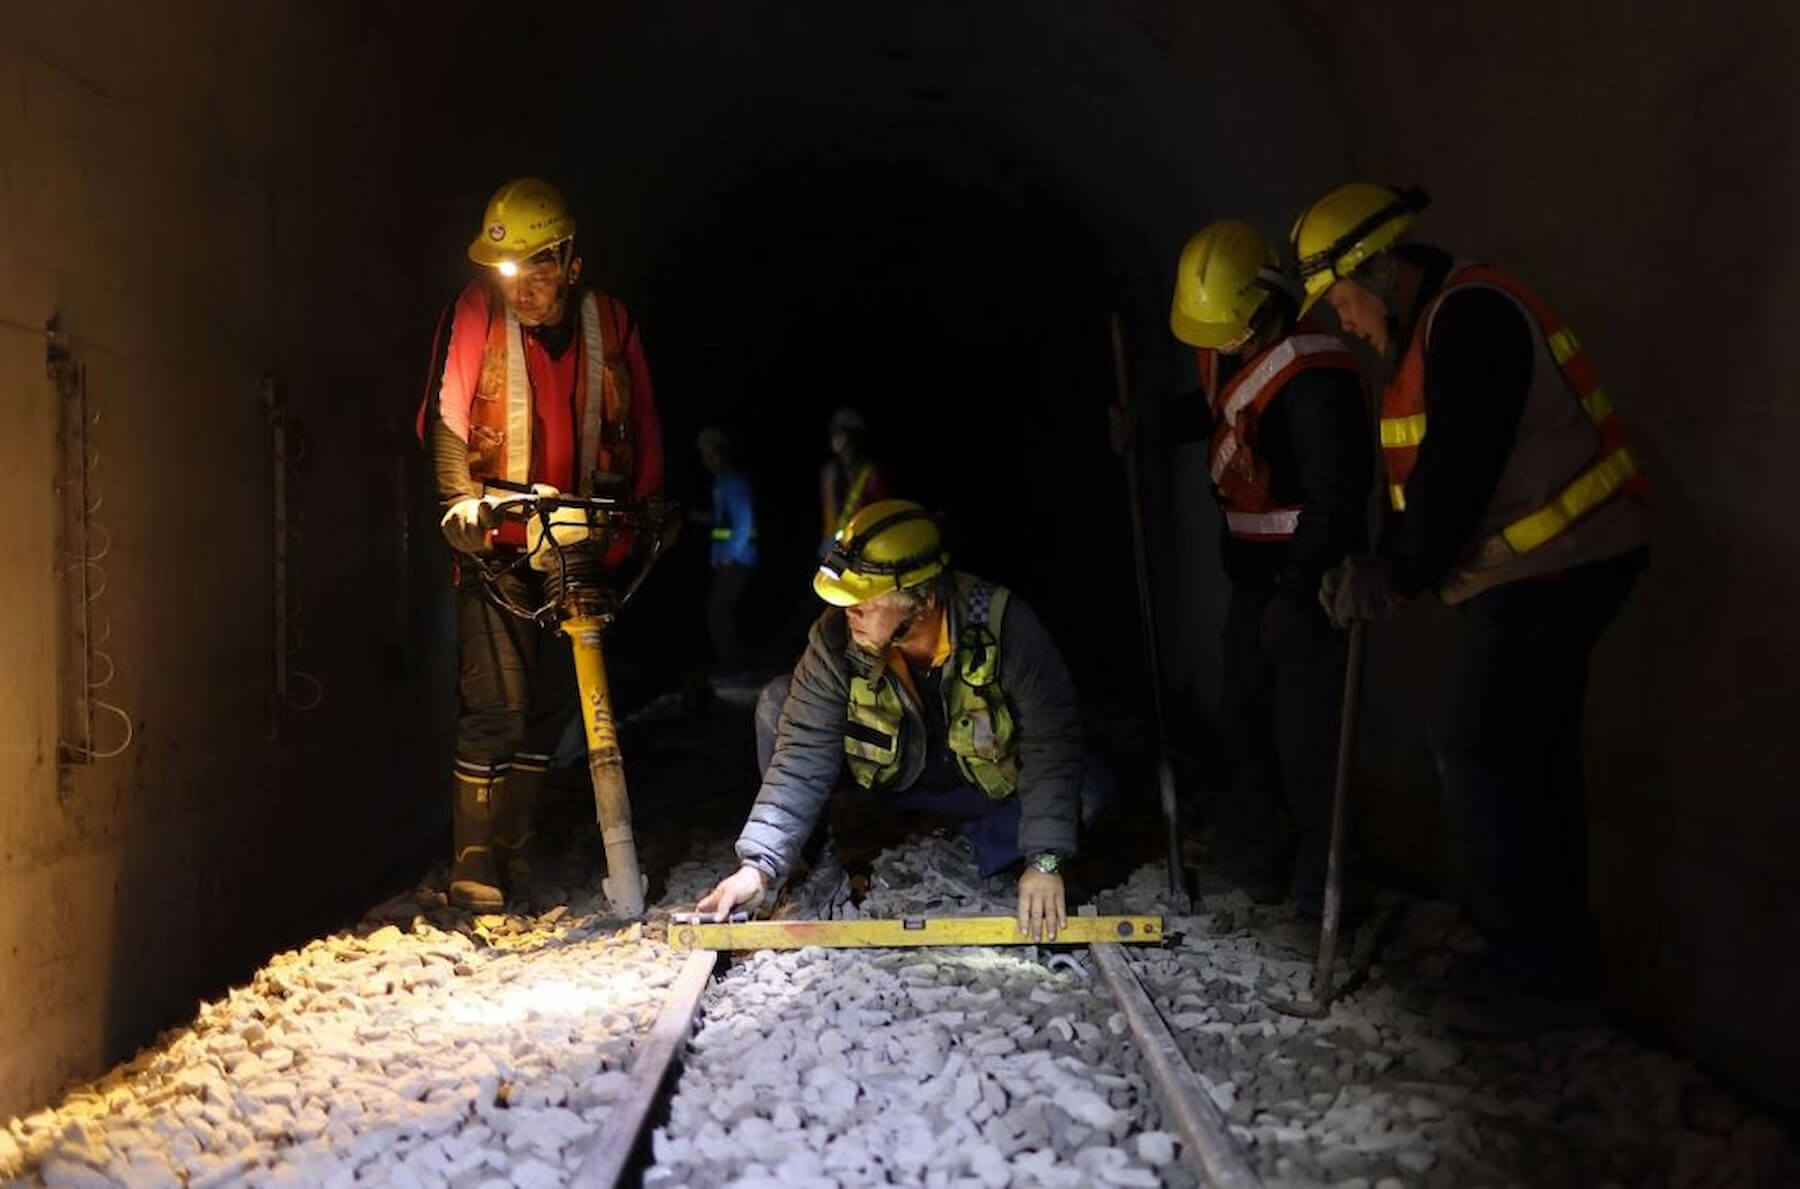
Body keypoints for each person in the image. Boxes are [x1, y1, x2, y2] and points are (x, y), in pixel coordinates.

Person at [1291, 182, 1650, 1014]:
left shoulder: (1472, 318)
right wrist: (1383, 559)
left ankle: (1535, 969)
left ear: (1378, 270)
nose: (1343, 320)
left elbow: (1459, 472)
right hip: (1554, 563)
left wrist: (1395, 574)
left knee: (1475, 744)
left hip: (1559, 559)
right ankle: (1559, 963)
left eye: (1341, 299)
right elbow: (1425, 485)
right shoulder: (1430, 331)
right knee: (1531, 756)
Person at [417, 177, 664, 910]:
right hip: (496, 544)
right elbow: (446, 416)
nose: (523, 288)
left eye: (538, 268)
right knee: (497, 699)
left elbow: (643, 425)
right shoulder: (475, 313)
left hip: (580, 546)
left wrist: (649, 510)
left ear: (570, 261)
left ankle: (518, 845)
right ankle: (474, 858)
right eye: (510, 272)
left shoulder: (612, 325)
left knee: (556, 704)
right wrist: (458, 504)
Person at [697, 500, 1094, 939]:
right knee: (777, 703)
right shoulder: (835, 636)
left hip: (983, 790)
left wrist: (1045, 860)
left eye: (863, 603)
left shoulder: (1004, 625)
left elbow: (1050, 738)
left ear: (922, 601)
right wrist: (758, 866)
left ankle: (975, 847)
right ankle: (819, 857)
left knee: (1089, 790)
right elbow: (802, 751)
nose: (850, 614)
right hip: (888, 787)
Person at [1162, 219, 1372, 922]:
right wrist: (1148, 424)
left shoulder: (1315, 376)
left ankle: (1324, 895)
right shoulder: (1237, 352)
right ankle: (1251, 857)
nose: (1218, 342)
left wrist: (1294, 591)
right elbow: (1221, 408)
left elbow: (1337, 495)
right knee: (1246, 721)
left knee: (1310, 744)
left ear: (1265, 301)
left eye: (1227, 327)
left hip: (1306, 586)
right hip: (1253, 581)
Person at [696, 425, 757, 687]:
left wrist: (729, 556)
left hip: (738, 559)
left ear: (718, 453)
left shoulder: (733, 480)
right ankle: (731, 665)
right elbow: (722, 520)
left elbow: (744, 521)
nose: (705, 460)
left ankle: (736, 669)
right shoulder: (721, 482)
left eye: (708, 453)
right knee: (722, 613)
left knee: (718, 613)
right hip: (728, 558)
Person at [818, 407, 889, 554]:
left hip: (863, 545)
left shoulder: (870, 473)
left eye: (842, 433)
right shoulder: (829, 472)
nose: (836, 439)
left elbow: (880, 509)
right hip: (832, 545)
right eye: (834, 434)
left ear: (855, 437)